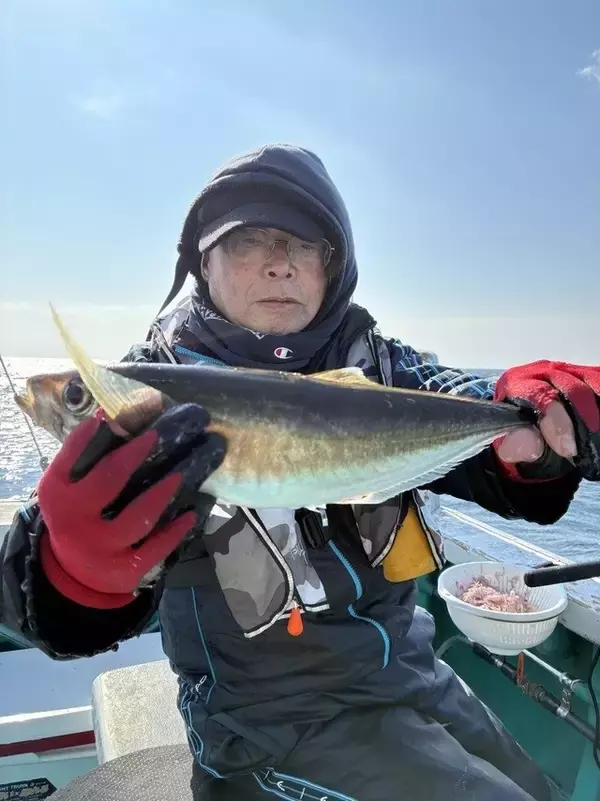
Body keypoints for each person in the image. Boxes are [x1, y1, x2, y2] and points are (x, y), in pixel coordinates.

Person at [1, 143, 599, 801]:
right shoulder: (146, 390)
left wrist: (536, 415)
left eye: (305, 245)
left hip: (411, 668)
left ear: (332, 266)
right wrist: (68, 568)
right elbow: (30, 585)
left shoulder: (378, 364)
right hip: (265, 721)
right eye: (249, 240)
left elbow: (479, 406)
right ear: (205, 261)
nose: (281, 262)